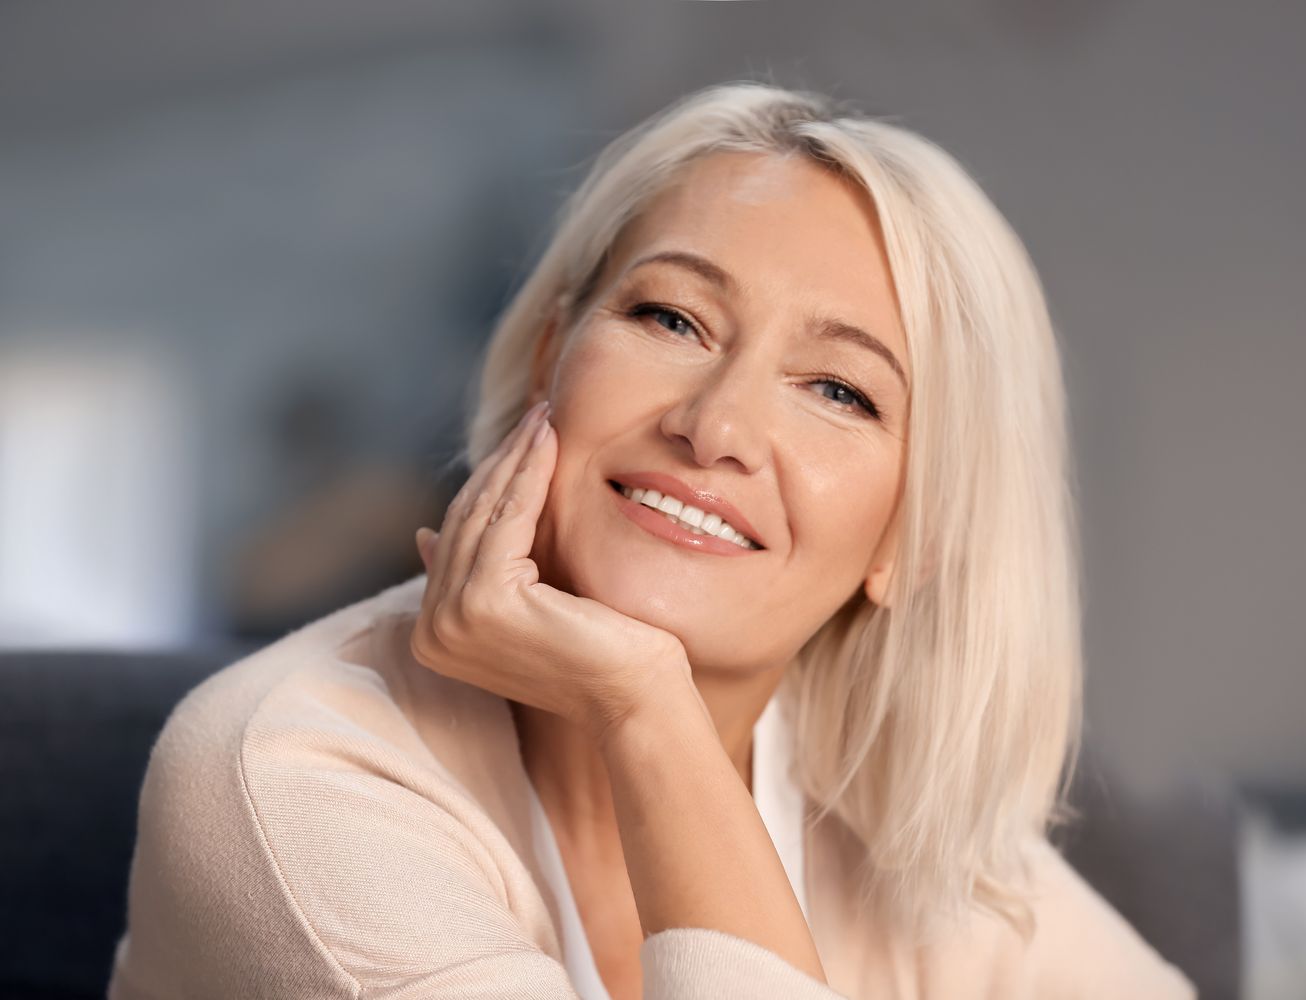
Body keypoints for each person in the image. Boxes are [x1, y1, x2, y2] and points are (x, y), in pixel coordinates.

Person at [107, 81, 1195, 999]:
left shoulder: (881, 821)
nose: (715, 426)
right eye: (672, 320)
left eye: (837, 390)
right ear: (550, 363)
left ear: (914, 539)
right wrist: (647, 709)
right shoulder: (285, 769)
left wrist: (647, 717)